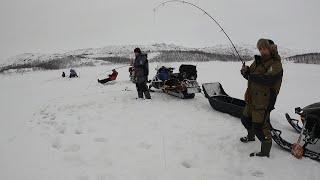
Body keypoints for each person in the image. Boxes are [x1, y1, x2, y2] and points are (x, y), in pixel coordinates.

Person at [240, 39, 283, 157]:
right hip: (251, 98)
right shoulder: (257, 61)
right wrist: (245, 72)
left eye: (264, 48)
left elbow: (267, 80)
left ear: (270, 48)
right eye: (260, 49)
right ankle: (251, 137)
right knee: (245, 119)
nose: (262, 51)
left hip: (264, 102)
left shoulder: (276, 63)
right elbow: (251, 77)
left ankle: (265, 152)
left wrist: (250, 75)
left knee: (260, 127)